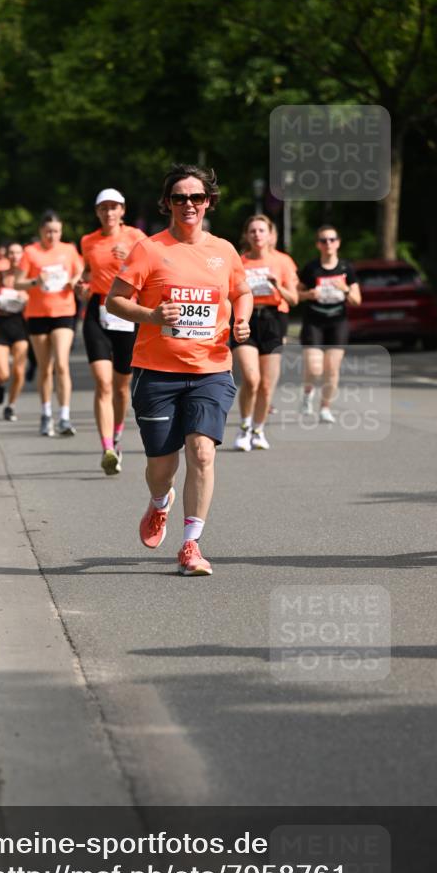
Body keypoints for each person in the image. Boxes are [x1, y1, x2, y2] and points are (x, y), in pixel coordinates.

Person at [106, 163, 252, 576]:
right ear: (167, 203)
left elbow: (241, 292)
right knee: (161, 467)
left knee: (202, 452)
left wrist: (242, 319)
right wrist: (151, 315)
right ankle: (159, 504)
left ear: (209, 202)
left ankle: (191, 544)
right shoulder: (149, 249)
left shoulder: (223, 250)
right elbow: (114, 301)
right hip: (157, 371)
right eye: (179, 197)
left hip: (211, 368)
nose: (189, 204)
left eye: (197, 197)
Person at [80, 188, 146, 474]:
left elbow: (153, 274)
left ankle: (117, 436)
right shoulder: (88, 241)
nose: (108, 212)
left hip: (126, 311)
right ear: (97, 212)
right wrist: (80, 285)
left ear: (122, 211)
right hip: (98, 310)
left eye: (113, 207)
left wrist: (130, 257)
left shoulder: (137, 239)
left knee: (121, 387)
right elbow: (86, 271)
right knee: (103, 382)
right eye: (103, 208)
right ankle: (106, 447)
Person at [231, 215, 298, 451]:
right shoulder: (239, 262)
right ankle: (244, 427)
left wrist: (276, 285)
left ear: (270, 235)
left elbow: (294, 299)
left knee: (267, 385)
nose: (257, 235)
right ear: (246, 236)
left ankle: (259, 429)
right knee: (251, 379)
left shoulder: (283, 262)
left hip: (273, 319)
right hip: (246, 318)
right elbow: (228, 295)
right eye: (253, 231)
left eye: (261, 230)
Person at [18, 211, 84, 436]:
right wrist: (36, 281)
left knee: (62, 364)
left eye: (56, 231)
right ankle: (46, 414)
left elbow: (80, 269)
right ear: (40, 232)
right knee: (45, 368)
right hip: (37, 313)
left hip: (64, 312)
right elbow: (18, 282)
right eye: (48, 231)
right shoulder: (30, 252)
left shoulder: (69, 250)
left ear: (61, 231)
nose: (52, 235)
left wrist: (74, 281)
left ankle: (64, 417)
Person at [297, 225, 361, 422]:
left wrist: (345, 289)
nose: (328, 244)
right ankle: (308, 394)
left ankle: (325, 408)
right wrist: (308, 294)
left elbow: (357, 300)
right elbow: (295, 296)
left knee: (332, 369)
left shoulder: (345, 268)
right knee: (315, 368)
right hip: (314, 321)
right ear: (318, 244)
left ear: (338, 243)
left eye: (332, 239)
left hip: (337, 322)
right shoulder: (311, 268)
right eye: (324, 240)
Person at [0, 243, 31, 422]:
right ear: (6, 255)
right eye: (11, 252)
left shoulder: (29, 278)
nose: (15, 255)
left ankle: (11, 405)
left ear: (22, 255)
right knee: (4, 373)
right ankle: (1, 383)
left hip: (19, 324)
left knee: (19, 371)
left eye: (18, 252)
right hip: (0, 324)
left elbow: (38, 298)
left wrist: (25, 297)